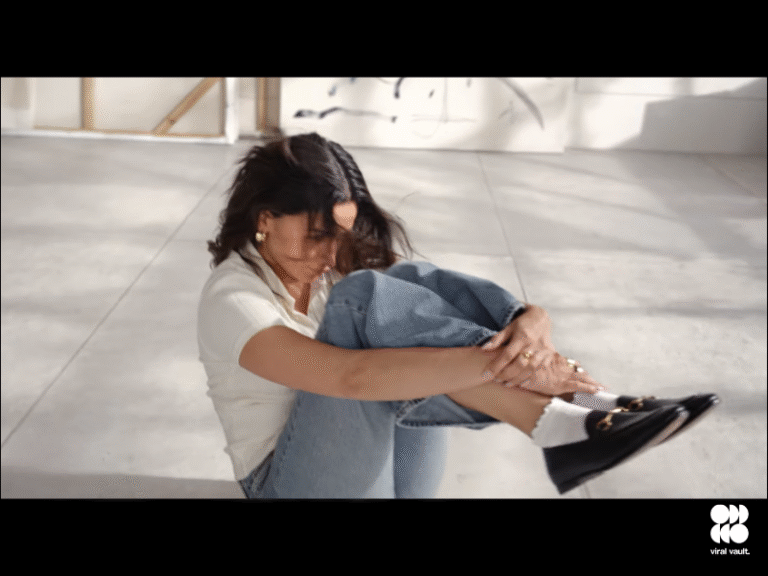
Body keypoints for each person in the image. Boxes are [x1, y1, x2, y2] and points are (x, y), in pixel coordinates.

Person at [197, 132, 719, 498]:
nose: (332, 255)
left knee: (401, 285)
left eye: (341, 236)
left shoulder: (321, 269)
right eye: (317, 236)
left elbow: (427, 300)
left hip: (369, 460)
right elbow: (349, 378)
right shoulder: (233, 300)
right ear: (266, 218)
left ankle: (590, 404)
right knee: (363, 298)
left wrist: (530, 319)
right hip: (288, 483)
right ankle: (561, 416)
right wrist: (513, 367)